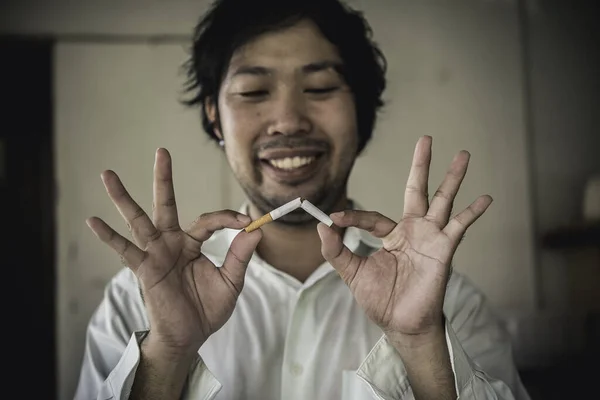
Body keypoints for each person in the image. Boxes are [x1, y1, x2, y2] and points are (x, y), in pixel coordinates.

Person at [74, 0, 531, 399]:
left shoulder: (448, 303)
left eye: (320, 88)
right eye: (254, 91)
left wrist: (422, 344)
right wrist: (167, 356)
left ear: (362, 111)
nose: (289, 120)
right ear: (214, 117)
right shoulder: (139, 301)